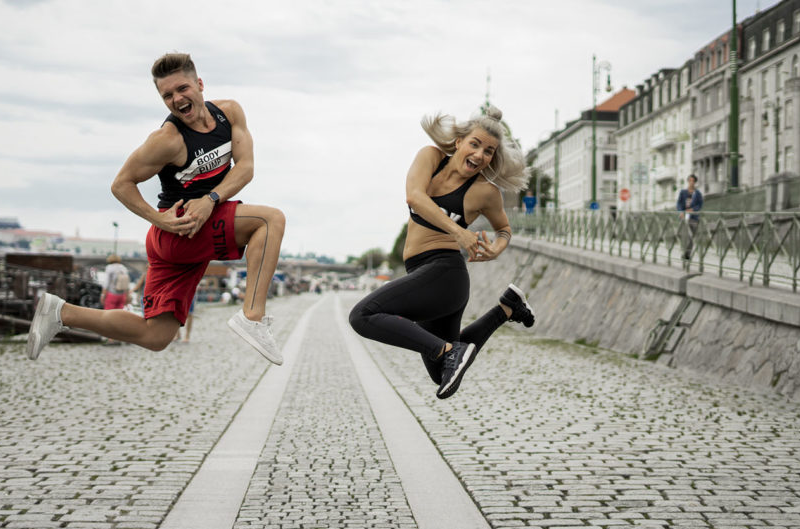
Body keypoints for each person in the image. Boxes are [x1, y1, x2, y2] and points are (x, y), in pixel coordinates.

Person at [27, 52, 286, 364]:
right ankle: (252, 316)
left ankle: (60, 312)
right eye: (167, 95)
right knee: (270, 221)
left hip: (195, 224)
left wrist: (210, 200)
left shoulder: (228, 114)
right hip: (180, 229)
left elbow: (246, 167)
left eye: (182, 89)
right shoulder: (167, 140)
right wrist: (159, 220)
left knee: (156, 335)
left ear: (200, 84)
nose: (177, 99)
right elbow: (121, 184)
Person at [349, 107, 536, 400]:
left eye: (488, 151)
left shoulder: (485, 191)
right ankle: (508, 308)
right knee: (440, 372)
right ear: (459, 142)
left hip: (445, 275)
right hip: (422, 273)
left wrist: (496, 249)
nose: (479, 155)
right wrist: (459, 232)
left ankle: (450, 351)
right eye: (475, 144)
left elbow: (504, 229)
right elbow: (415, 196)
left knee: (362, 316)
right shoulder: (430, 157)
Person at [676, 173, 703, 260]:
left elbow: (700, 205)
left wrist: (693, 209)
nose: (691, 182)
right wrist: (681, 211)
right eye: (690, 180)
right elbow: (679, 203)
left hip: (694, 218)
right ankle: (684, 251)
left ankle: (687, 253)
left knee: (691, 236)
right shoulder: (683, 192)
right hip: (684, 217)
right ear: (688, 181)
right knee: (684, 235)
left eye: (693, 181)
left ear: (695, 182)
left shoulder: (698, 193)